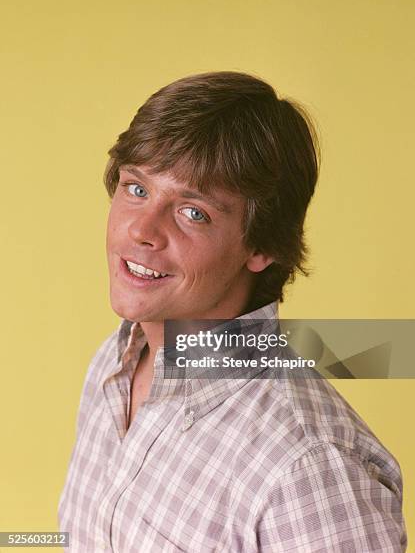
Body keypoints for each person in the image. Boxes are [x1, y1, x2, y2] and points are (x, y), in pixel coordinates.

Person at [58, 71, 407, 552]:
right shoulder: (113, 365)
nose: (142, 230)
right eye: (136, 189)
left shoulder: (308, 468)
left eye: (192, 212)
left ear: (263, 245)